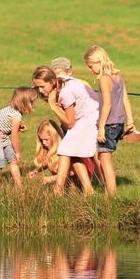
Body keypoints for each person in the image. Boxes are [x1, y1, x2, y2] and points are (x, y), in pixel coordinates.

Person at [83, 45, 140, 195]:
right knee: (104, 156)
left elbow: (107, 105)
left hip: (108, 125)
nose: (90, 70)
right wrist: (130, 122)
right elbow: (125, 99)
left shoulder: (104, 79)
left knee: (105, 160)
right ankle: (109, 190)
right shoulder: (117, 76)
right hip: (119, 124)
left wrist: (101, 128)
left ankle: (110, 193)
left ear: (98, 61)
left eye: (91, 66)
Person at [31, 65, 99, 194]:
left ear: (52, 81)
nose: (39, 90)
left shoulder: (65, 93)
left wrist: (53, 106)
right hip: (85, 117)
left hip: (91, 117)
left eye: (42, 86)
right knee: (72, 152)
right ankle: (88, 190)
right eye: (37, 87)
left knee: (65, 148)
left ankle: (58, 189)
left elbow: (70, 123)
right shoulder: (60, 81)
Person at [0, 87, 37, 189]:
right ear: (24, 103)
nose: (34, 104)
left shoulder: (13, 111)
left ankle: (20, 187)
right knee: (0, 160)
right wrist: (17, 152)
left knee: (13, 160)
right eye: (32, 102)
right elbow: (14, 136)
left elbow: (8, 124)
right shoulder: (16, 115)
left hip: (1, 134)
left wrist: (18, 127)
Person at [26, 119, 95, 189]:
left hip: (77, 186)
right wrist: (36, 171)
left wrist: (51, 178)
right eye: (41, 140)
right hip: (65, 188)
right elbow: (46, 163)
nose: (43, 143)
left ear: (55, 137)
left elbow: (70, 173)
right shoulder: (49, 151)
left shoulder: (64, 152)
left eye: (46, 139)